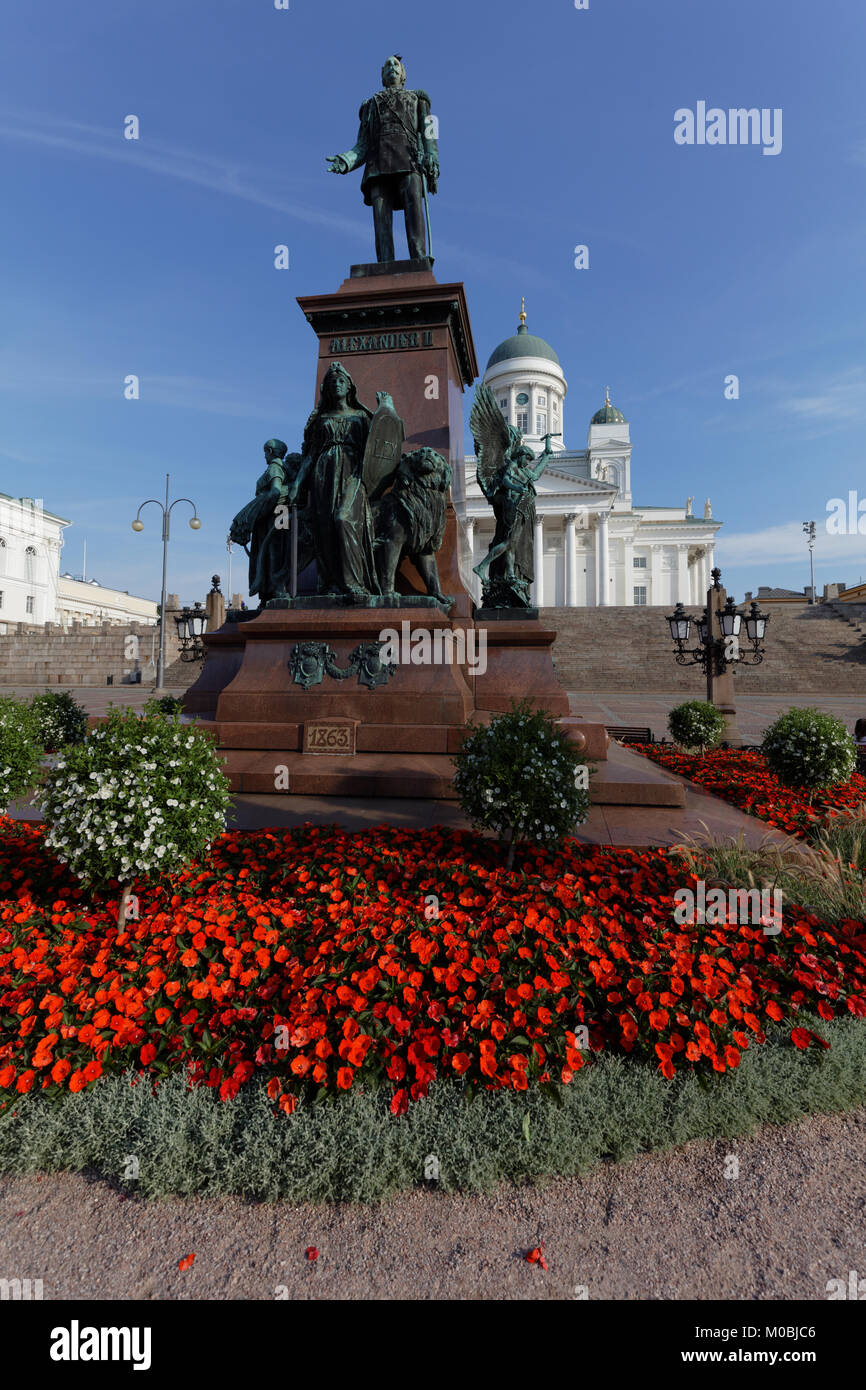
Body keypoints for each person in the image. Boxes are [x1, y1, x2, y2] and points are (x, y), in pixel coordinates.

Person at [326, 55, 439, 264]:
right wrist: (345, 161)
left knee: (414, 207)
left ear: (403, 74)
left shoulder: (418, 99)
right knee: (381, 217)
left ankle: (419, 259)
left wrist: (432, 156)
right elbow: (362, 145)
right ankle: (384, 264)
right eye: (387, 65)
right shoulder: (370, 105)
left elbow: (430, 132)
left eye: (396, 65)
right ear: (382, 75)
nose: (392, 68)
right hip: (378, 165)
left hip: (409, 160)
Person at [288, 363, 378, 599]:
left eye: (341, 381)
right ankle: (331, 583)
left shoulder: (361, 417)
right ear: (326, 389)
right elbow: (310, 454)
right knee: (325, 527)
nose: (336, 384)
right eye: (332, 382)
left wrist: (386, 409)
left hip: (352, 472)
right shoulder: (321, 419)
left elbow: (379, 447)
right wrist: (298, 483)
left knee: (343, 519)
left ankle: (354, 582)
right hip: (323, 472)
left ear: (349, 387)